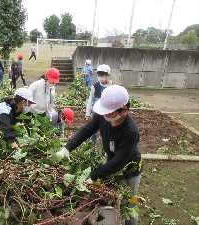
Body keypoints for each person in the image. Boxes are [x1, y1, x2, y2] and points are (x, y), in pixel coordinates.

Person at [57, 85, 142, 225]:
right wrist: (67, 148)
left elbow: (120, 161)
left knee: (130, 204)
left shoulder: (130, 131)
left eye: (108, 112)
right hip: (111, 162)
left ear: (124, 110)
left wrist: (95, 174)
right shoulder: (103, 116)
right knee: (112, 200)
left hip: (130, 168)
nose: (104, 114)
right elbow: (87, 130)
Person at [86, 64, 115, 153]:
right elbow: (90, 100)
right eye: (99, 75)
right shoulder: (95, 86)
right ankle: (92, 149)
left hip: (108, 115)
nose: (101, 77)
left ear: (108, 75)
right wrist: (88, 114)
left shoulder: (113, 87)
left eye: (103, 75)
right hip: (96, 114)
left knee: (105, 133)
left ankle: (104, 151)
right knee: (93, 132)